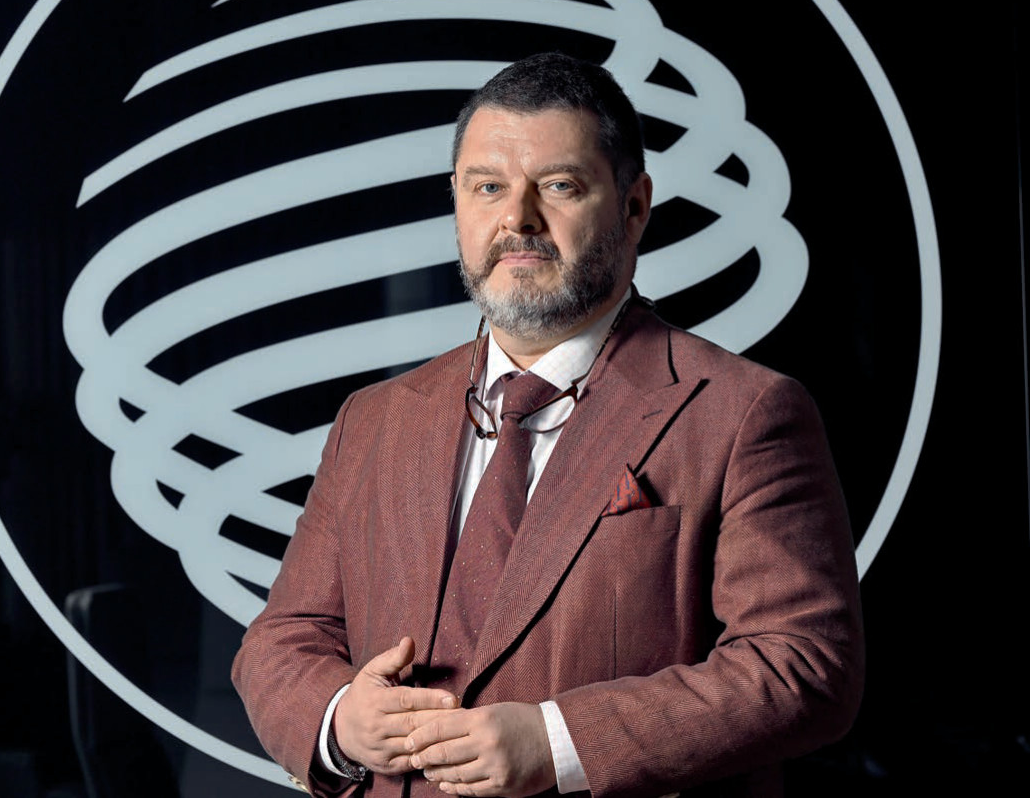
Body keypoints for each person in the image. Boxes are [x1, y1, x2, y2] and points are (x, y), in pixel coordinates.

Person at [232, 52, 864, 798]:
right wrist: (340, 720)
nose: (517, 220)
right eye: (488, 187)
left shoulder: (743, 413)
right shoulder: (372, 420)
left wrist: (561, 742)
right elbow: (282, 639)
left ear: (634, 208)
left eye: (559, 186)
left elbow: (803, 664)